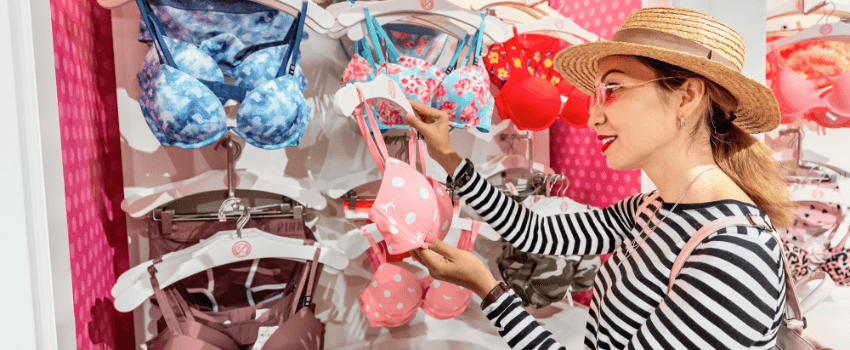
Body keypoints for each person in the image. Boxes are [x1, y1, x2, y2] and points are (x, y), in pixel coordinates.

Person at [405, 7, 795, 350]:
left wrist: (489, 290)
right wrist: (449, 157)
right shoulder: (655, 208)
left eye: (613, 89)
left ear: (687, 97)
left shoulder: (734, 253)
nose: (592, 118)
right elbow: (537, 231)